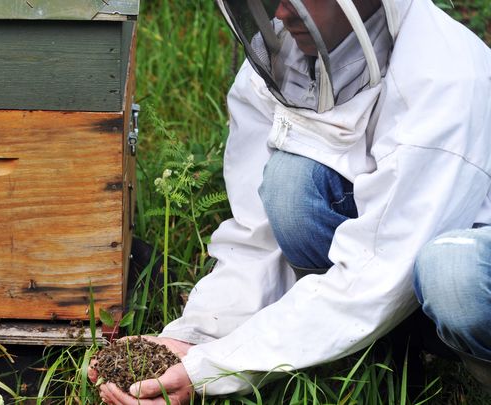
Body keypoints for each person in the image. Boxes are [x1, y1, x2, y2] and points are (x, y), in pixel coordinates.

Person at [90, 0, 491, 403]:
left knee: (451, 275)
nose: (281, 13)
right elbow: (256, 237)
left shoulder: (445, 76)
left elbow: (386, 269)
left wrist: (214, 369)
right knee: (288, 183)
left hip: (465, 268)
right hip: (385, 275)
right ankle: (360, 353)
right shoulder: (282, 61)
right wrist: (192, 340)